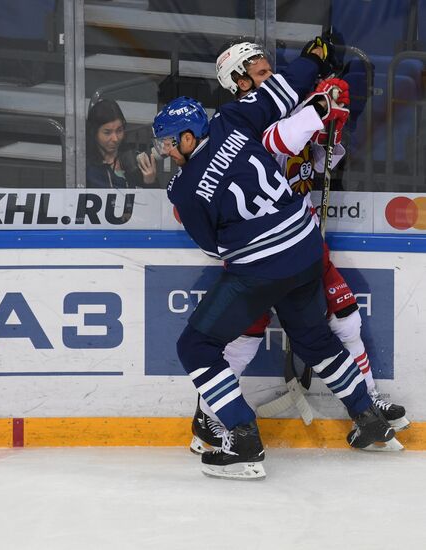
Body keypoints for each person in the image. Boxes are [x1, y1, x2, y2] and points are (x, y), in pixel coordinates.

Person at [152, 38, 397, 481]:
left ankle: (242, 437)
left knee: (194, 346)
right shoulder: (232, 120)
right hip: (306, 251)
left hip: (261, 268)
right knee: (315, 341)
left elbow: (212, 248)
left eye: (169, 143)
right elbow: (285, 87)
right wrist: (314, 60)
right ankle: (368, 418)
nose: (166, 151)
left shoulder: (184, 190)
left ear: (188, 137)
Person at [86, 99, 158, 188]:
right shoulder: (86, 166)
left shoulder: (134, 160)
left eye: (119, 130)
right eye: (107, 132)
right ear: (94, 132)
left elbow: (155, 200)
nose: (115, 139)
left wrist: (150, 182)